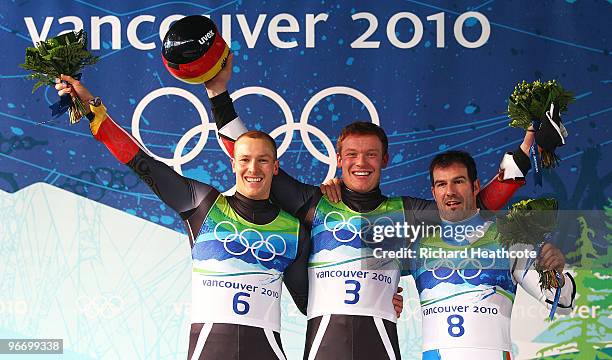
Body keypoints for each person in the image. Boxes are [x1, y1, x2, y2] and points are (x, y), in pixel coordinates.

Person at [205, 55, 532, 360]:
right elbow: (249, 153)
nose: (361, 162)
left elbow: (470, 206)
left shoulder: (405, 213)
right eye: (352, 154)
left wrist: (525, 148)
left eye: (371, 154)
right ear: (339, 160)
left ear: (385, 160)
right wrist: (219, 94)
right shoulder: (316, 202)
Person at [55, 73, 311, 360]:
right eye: (245, 159)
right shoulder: (203, 205)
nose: (254, 168)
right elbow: (143, 164)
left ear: (275, 167)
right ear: (233, 164)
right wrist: (93, 109)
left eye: (263, 160)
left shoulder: (294, 229)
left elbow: (309, 304)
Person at [410, 150, 575, 360]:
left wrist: (556, 271)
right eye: (442, 184)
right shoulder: (417, 246)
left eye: (458, 181)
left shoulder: (509, 239)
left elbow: (561, 304)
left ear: (475, 186)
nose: (450, 191)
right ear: (434, 193)